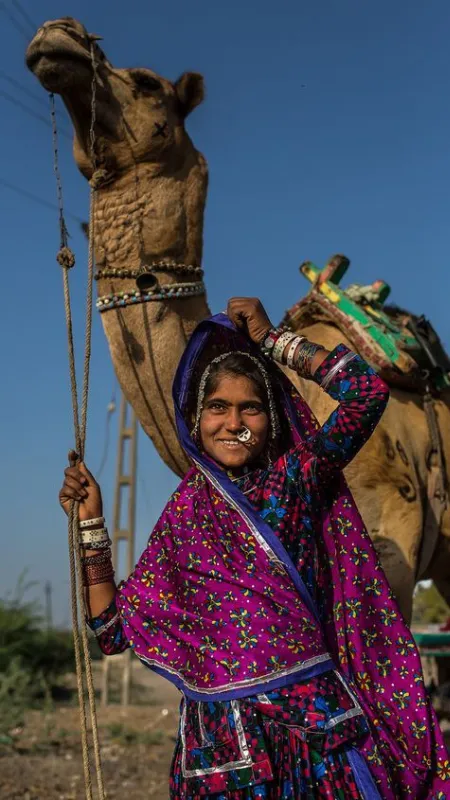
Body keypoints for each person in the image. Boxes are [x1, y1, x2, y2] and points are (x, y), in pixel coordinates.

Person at [59, 298, 449, 799]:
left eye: (251, 408)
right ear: (196, 419)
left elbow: (365, 393)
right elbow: (112, 631)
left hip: (314, 737)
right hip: (220, 750)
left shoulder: (294, 481)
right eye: (218, 407)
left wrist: (272, 339)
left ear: (272, 419)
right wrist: (92, 522)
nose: (233, 422)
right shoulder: (182, 519)